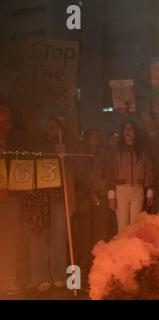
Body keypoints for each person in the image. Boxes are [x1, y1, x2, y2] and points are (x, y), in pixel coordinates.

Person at [24, 115, 71, 292]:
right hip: (38, 196)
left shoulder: (65, 145)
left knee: (58, 234)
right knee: (38, 235)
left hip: (56, 194)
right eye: (48, 127)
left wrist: (63, 156)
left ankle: (58, 274)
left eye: (54, 127)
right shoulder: (36, 144)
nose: (51, 130)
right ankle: (40, 276)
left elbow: (69, 171)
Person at [107, 121, 153, 233]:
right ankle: (122, 250)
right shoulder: (116, 150)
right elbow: (110, 171)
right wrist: (111, 196)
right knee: (122, 227)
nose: (128, 132)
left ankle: (132, 250)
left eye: (130, 129)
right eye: (125, 129)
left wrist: (149, 192)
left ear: (135, 132)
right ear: (122, 132)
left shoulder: (142, 150)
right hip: (121, 190)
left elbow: (148, 171)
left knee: (135, 227)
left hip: (138, 190)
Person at [75, 128, 110, 270]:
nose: (94, 139)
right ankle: (85, 258)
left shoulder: (105, 154)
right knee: (84, 229)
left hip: (100, 194)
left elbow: (109, 173)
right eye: (91, 136)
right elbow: (78, 175)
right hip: (84, 196)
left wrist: (99, 190)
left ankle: (98, 257)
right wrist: (88, 191)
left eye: (96, 136)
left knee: (100, 228)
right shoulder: (81, 154)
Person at [0, 105, 22, 295]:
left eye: (5, 121)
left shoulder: (16, 141)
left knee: (9, 240)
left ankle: (8, 280)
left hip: (10, 197)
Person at [139, 109, 159, 212]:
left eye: (145, 117)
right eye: (141, 117)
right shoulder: (139, 138)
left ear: (153, 119)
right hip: (144, 180)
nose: (143, 120)